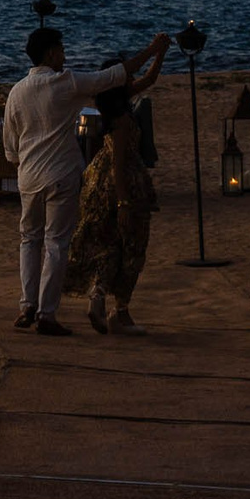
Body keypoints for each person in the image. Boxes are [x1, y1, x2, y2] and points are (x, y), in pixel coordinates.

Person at [5, 22, 169, 336]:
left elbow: (11, 148)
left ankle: (27, 304)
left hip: (28, 177)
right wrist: (151, 49)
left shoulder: (16, 93)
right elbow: (113, 76)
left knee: (29, 240)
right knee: (55, 244)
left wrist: (24, 162)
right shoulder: (64, 83)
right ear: (51, 53)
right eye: (62, 50)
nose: (64, 56)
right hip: (60, 175)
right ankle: (46, 314)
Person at [68, 65, 164, 334]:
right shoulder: (121, 121)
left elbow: (150, 78)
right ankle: (120, 313)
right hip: (120, 186)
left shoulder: (113, 103)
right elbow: (119, 166)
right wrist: (123, 202)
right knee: (132, 246)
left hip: (99, 183)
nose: (132, 78)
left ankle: (99, 298)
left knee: (109, 244)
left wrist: (160, 49)